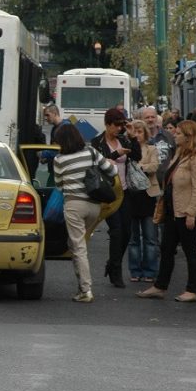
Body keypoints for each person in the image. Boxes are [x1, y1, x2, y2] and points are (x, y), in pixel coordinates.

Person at [137, 119, 196, 302]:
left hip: (187, 211)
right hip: (173, 209)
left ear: (188, 137)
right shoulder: (179, 154)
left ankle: (192, 289)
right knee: (167, 248)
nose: (174, 135)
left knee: (190, 250)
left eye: (178, 133)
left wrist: (191, 213)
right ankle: (160, 286)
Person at [53, 122, 119, 303]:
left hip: (74, 205)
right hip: (94, 206)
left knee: (78, 246)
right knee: (77, 244)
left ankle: (85, 289)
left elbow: (59, 186)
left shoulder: (59, 159)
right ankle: (82, 286)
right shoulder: (91, 152)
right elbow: (112, 171)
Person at [91, 108, 140, 288]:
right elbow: (96, 164)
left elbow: (137, 156)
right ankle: (116, 270)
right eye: (117, 125)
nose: (119, 129)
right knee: (117, 230)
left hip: (125, 191)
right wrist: (114, 155)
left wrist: (133, 136)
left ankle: (112, 262)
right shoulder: (97, 142)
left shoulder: (124, 139)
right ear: (108, 124)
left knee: (127, 231)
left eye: (122, 125)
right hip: (108, 192)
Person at [127, 119, 161, 283]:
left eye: (140, 132)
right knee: (134, 238)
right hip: (132, 196)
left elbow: (154, 166)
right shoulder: (128, 150)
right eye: (135, 131)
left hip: (147, 195)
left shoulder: (151, 149)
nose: (138, 135)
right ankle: (135, 270)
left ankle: (150, 270)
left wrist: (140, 167)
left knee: (150, 237)